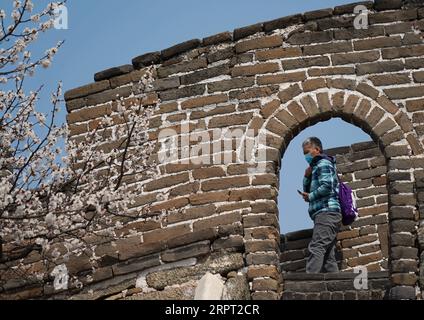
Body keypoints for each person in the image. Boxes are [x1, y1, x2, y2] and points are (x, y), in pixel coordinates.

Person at [299, 137, 342, 273]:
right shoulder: (315, 167)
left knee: (316, 247)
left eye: (307, 152)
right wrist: (307, 176)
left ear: (317, 149)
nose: (306, 156)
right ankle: (335, 287)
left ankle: (309, 284)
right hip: (323, 213)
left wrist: (310, 196)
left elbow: (327, 187)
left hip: (327, 211)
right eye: (304, 153)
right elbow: (308, 190)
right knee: (328, 255)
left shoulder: (323, 163)